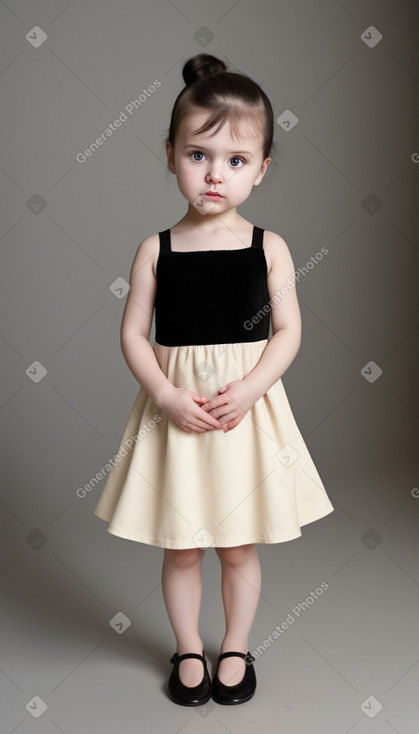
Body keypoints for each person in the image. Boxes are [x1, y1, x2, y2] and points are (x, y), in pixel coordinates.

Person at [93, 53, 334, 707]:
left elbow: (286, 331)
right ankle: (186, 648)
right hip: (176, 413)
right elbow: (132, 335)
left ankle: (234, 643)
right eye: (198, 155)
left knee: (234, 546)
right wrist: (167, 394)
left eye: (234, 161)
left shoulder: (268, 247)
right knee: (180, 548)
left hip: (241, 413)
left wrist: (253, 387)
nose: (214, 174)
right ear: (171, 154)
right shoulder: (156, 250)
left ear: (260, 169)